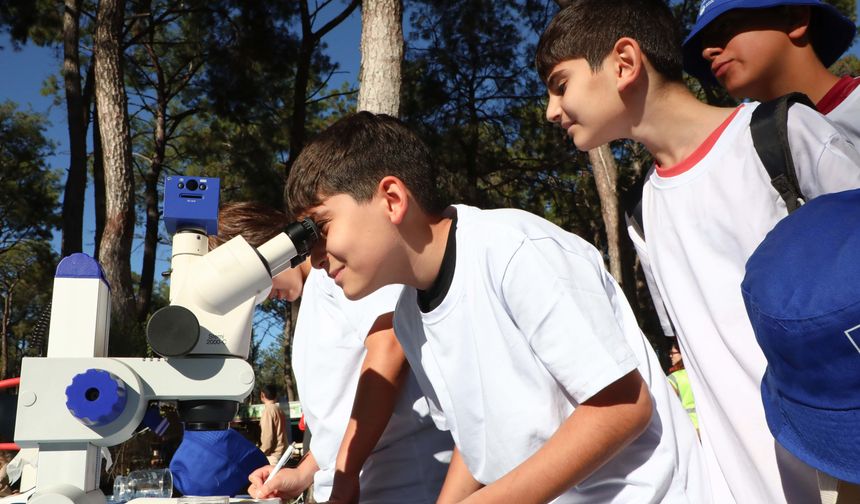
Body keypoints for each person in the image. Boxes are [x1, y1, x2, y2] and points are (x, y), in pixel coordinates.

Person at [284, 111, 708, 503]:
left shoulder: (514, 250)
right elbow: (478, 444)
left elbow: (621, 406)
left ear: (393, 199)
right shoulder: (410, 319)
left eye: (320, 228)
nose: (316, 256)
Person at [536, 0, 860, 502]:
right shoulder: (642, 210)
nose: (551, 111)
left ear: (624, 63)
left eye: (561, 85)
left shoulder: (780, 134)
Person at [209, 202, 453, 504]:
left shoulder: (337, 275)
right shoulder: (315, 291)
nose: (258, 300)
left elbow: (390, 343)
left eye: (250, 287)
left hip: (400, 485)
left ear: (264, 249)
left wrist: (346, 473)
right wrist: (303, 474)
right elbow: (340, 417)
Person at [682, 0, 858, 143]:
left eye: (724, 26)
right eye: (703, 44)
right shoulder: (742, 153)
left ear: (795, 18)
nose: (707, 51)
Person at [666, 342, 697, 433]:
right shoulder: (698, 375)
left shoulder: (674, 377)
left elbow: (669, 405)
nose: (670, 356)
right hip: (707, 425)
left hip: (687, 427)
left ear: (682, 353)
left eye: (672, 353)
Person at [259, 383, 289, 465]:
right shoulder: (279, 410)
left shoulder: (268, 411)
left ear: (262, 395)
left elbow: (268, 436)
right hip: (282, 454)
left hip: (272, 457)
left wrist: (261, 453)